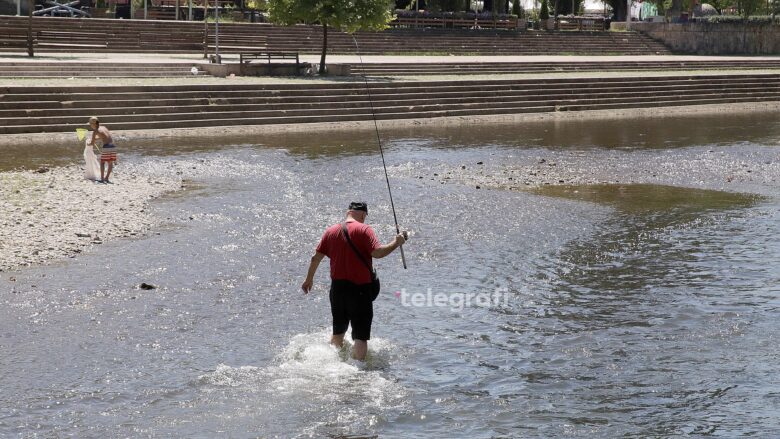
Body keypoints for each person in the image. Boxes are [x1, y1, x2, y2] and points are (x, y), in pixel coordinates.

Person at [301, 202, 407, 361]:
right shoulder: (364, 229)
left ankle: (332, 362)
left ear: (348, 212)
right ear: (363, 214)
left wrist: (308, 280)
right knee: (360, 335)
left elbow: (315, 258)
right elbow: (377, 253)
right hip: (360, 290)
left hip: (337, 290)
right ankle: (360, 369)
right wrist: (396, 242)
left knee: (338, 333)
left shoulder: (330, 231)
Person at [88, 116, 117, 184]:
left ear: (93, 124)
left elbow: (92, 143)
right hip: (112, 145)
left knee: (102, 162)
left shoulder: (95, 131)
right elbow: (105, 137)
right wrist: (96, 139)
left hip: (106, 146)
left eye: (90, 124)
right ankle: (106, 178)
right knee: (110, 163)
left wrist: (88, 144)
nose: (90, 125)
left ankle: (102, 179)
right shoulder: (103, 127)